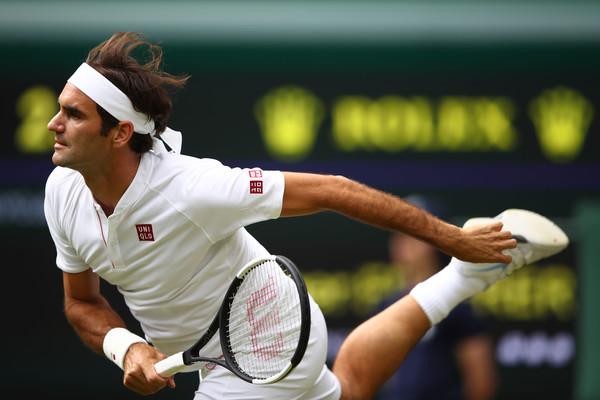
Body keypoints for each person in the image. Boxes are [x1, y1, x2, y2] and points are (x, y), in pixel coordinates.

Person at [43, 32, 567, 400]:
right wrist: (126, 346)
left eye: (73, 114)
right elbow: (81, 303)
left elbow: (334, 190)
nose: (53, 124)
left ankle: (461, 264)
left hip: (270, 330)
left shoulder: (193, 188)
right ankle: (461, 282)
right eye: (60, 108)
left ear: (118, 134)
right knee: (351, 390)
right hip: (207, 353)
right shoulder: (62, 193)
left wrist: (451, 237)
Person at [375, 196, 498, 400]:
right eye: (398, 232)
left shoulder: (459, 307)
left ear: (440, 240)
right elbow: (379, 375)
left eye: (414, 233)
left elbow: (481, 383)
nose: (403, 241)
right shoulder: (385, 304)